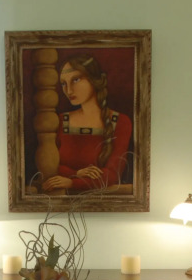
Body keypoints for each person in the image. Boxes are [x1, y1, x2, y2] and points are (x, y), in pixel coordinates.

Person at [41, 54, 133, 194]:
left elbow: (112, 175)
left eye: (76, 80)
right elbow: (50, 167)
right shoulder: (59, 120)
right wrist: (76, 173)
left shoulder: (121, 122)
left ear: (94, 80)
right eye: (64, 83)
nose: (69, 90)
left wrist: (72, 182)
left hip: (103, 201)